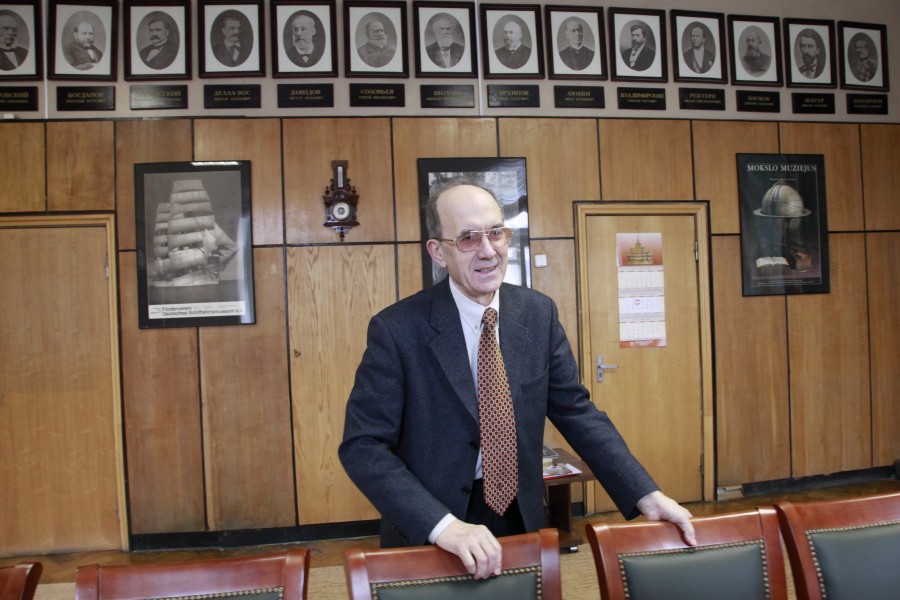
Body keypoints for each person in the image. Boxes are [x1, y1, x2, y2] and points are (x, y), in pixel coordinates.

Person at [339, 180, 697, 580]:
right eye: (468, 238)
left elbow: (576, 411)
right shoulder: (397, 329)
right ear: (438, 251)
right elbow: (363, 446)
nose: (488, 250)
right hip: (433, 524)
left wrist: (645, 493)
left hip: (520, 513)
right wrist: (443, 526)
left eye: (496, 232)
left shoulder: (538, 314)